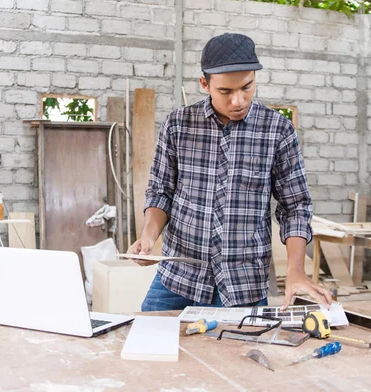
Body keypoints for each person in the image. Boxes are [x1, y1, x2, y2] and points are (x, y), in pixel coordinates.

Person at [128, 33, 331, 311]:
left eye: (247, 87)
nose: (238, 100)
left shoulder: (277, 130)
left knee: (235, 355)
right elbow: (161, 192)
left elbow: (294, 206)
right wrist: (149, 236)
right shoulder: (178, 125)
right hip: (179, 278)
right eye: (226, 91)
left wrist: (296, 270)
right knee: (149, 346)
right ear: (204, 84)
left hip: (243, 285)